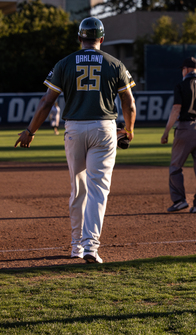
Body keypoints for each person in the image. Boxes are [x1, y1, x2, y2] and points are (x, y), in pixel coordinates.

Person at [15, 17, 136, 264]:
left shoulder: (64, 63)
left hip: (74, 128)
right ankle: (91, 246)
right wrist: (130, 129)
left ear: (80, 38)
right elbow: (129, 102)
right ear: (102, 39)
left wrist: (30, 130)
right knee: (98, 190)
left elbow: (47, 101)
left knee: (78, 188)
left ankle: (75, 246)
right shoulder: (115, 64)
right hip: (104, 128)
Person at [161, 57, 196, 214]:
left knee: (175, 167)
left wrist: (166, 132)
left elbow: (176, 109)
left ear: (186, 69)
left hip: (185, 129)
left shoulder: (180, 85)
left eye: (182, 69)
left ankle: (179, 201)